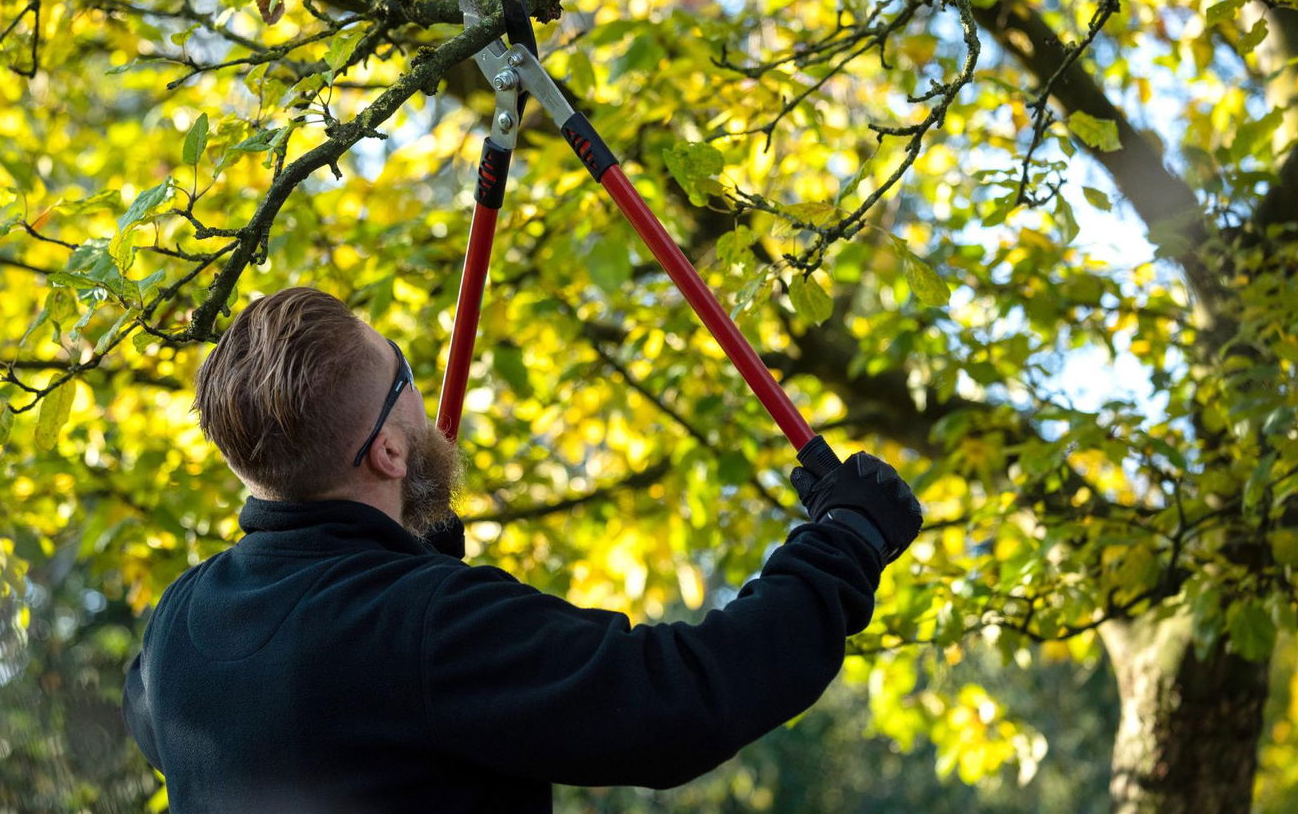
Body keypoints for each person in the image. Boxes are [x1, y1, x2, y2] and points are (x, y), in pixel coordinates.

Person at [123, 287, 922, 813]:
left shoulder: (177, 631)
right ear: (388, 456)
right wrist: (842, 546)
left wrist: (402, 562)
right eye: (403, 376)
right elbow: (679, 699)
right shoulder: (429, 626)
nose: (420, 393)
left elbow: (224, 710)